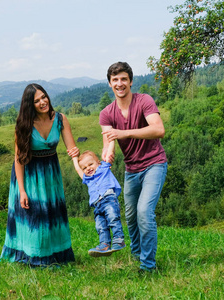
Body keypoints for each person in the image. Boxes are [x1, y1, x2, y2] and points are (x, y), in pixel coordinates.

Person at [0, 83, 79, 267]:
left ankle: (56, 254)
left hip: (51, 174)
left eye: (44, 97)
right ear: (30, 104)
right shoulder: (24, 124)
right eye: (37, 100)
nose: (43, 102)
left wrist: (85, 171)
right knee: (33, 216)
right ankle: (33, 256)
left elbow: (72, 149)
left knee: (51, 215)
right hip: (29, 174)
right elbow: (19, 159)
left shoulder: (60, 119)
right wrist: (22, 190)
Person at [99, 62, 168, 272]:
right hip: (131, 169)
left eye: (123, 79)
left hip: (154, 163)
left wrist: (126, 133)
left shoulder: (144, 100)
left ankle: (148, 266)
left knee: (144, 212)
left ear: (130, 81)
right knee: (130, 216)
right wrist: (107, 155)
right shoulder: (106, 113)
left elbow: (158, 129)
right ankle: (138, 254)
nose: (120, 84)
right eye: (115, 80)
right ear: (110, 84)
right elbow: (108, 143)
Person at [71, 141, 125, 257]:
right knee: (100, 226)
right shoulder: (87, 178)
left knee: (112, 218)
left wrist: (111, 140)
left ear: (98, 163)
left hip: (109, 199)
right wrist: (74, 157)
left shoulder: (104, 168)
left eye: (90, 164)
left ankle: (118, 239)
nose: (88, 168)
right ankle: (104, 244)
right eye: (85, 167)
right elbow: (78, 169)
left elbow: (110, 153)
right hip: (97, 205)